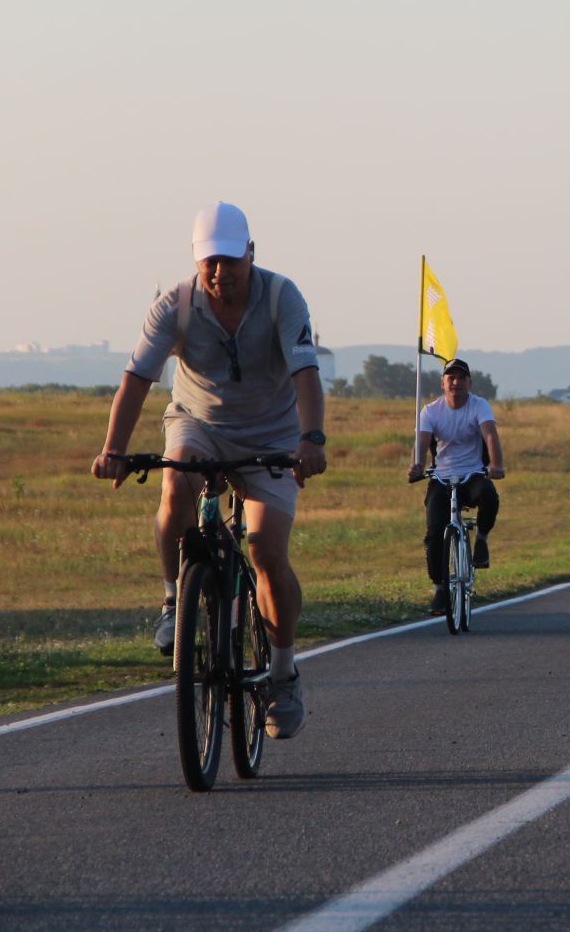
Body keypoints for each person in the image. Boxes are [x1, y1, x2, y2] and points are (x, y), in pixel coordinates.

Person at [92, 201, 326, 739]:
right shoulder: (174, 305)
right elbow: (136, 380)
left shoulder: (281, 297)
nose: (220, 274)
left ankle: (284, 673)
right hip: (197, 422)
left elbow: (307, 373)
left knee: (267, 549)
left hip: (271, 433)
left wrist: (311, 439)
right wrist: (115, 450)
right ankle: (177, 600)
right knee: (176, 481)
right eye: (208, 263)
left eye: (229, 261)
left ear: (251, 252)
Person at [408, 357, 505, 614]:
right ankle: (440, 589)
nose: (456, 382)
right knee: (434, 533)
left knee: (489, 495)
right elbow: (421, 442)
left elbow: (490, 435)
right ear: (442, 383)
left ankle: (481, 539)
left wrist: (495, 464)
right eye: (451, 378)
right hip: (441, 477)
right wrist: (416, 465)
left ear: (469, 383)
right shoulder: (430, 411)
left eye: (461, 378)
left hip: (472, 474)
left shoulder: (479, 406)